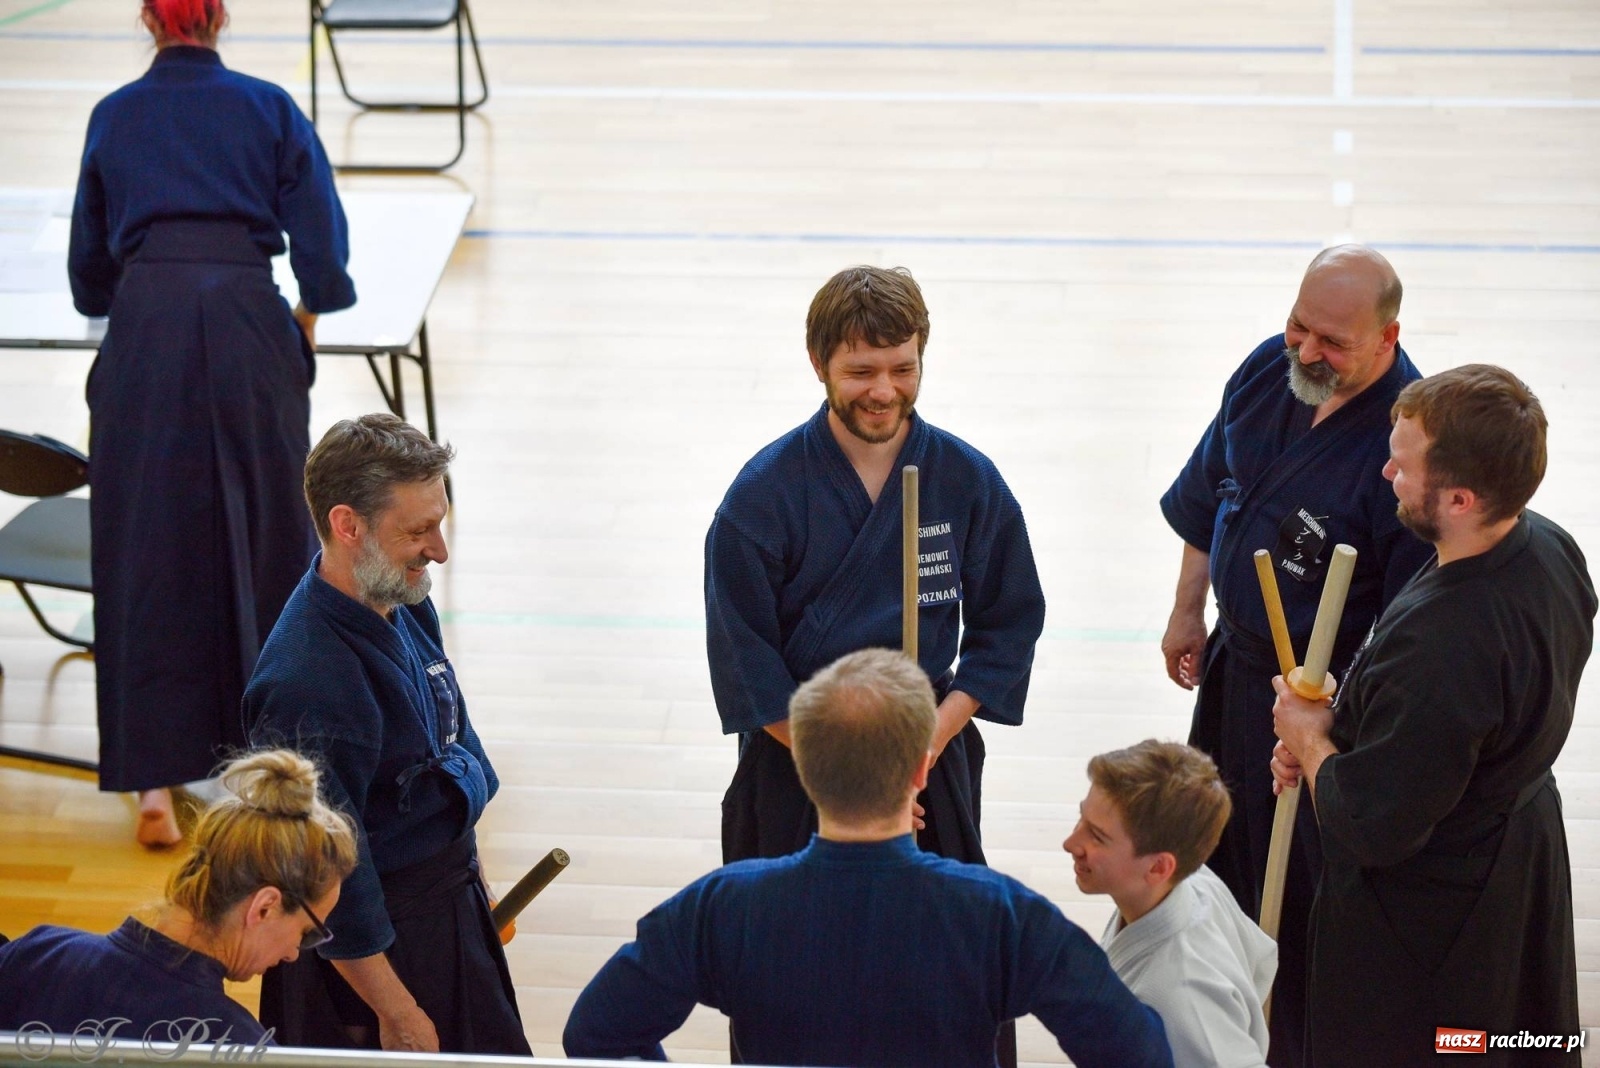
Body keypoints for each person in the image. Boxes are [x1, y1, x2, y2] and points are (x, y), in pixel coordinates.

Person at [564, 648, 1173, 1067]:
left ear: (804, 767)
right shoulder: (1003, 915)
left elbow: (594, 1034)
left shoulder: (721, 907)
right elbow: (1137, 1055)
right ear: (920, 769)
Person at [70, 0, 356, 848]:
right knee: (271, 546)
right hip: (246, 329)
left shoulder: (115, 115)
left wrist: (127, 291)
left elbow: (90, 274)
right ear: (219, 20)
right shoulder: (268, 106)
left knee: (144, 552)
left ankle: (154, 788)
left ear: (150, 24)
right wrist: (303, 318)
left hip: (147, 332)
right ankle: (271, 771)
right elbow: (323, 248)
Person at [1271, 365, 1595, 1067]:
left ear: (1459, 497)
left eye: (1404, 461)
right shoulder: (1549, 548)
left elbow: (1369, 824)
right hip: (1516, 850)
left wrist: (1310, 738)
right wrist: (1348, 726)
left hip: (1434, 915)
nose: (1384, 468)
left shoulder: (1446, 646)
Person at [1158, 244, 1431, 1063]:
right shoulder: (1264, 371)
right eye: (1298, 328)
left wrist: (1324, 722)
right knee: (1217, 861)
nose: (1308, 353)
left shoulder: (1409, 439)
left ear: (1388, 338)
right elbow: (1212, 492)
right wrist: (1184, 609)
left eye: (1334, 343)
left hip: (1320, 706)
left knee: (1305, 899)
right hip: (1233, 670)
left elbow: (1411, 615)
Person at [707, 265, 1045, 869]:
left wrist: (927, 744)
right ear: (818, 363)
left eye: (903, 369)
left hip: (924, 756)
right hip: (802, 759)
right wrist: (850, 776)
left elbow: (1010, 622)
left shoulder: (966, 479)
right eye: (861, 372)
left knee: (931, 941)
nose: (884, 391)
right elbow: (745, 658)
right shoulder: (761, 498)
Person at [242, 414, 529, 1056]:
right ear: (349, 526)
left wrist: (471, 871)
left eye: (440, 522)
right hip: (375, 957)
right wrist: (396, 1011)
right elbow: (324, 877)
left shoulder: (399, 593)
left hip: (443, 902)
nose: (439, 550)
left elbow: (447, 734)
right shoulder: (308, 688)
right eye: (418, 530)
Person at [0, 750, 357, 1044]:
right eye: (306, 932)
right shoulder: (238, 1045)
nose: (294, 953)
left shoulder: (37, 954)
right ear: (264, 907)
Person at [1064, 740, 1276, 1068]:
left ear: (1159, 867)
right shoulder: (1189, 882)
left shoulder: (1180, 999)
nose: (1071, 843)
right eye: (1082, 819)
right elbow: (1259, 960)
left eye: (1097, 836)